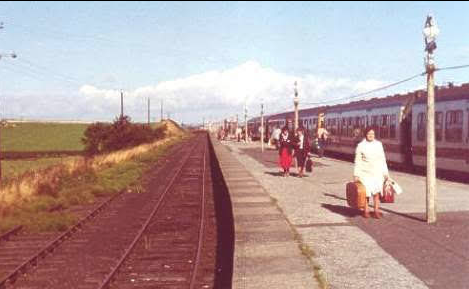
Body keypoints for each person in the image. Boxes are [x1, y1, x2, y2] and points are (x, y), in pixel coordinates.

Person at [353, 127, 389, 219]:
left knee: (376, 193)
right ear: (365, 134)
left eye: (372, 134)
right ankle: (366, 210)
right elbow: (357, 161)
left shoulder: (379, 144)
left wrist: (385, 173)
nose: (371, 136)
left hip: (377, 172)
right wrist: (356, 174)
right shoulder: (361, 145)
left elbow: (382, 159)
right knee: (366, 193)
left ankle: (376, 211)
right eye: (369, 134)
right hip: (365, 173)